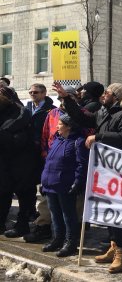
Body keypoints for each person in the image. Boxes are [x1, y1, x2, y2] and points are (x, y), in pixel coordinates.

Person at [53, 81, 122, 274]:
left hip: (121, 172)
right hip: (105, 170)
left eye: (108, 92)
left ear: (116, 96)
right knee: (109, 212)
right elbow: (82, 119)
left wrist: (98, 137)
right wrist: (67, 99)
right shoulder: (103, 111)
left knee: (119, 213)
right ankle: (114, 246)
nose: (104, 94)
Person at [25, 86, 79, 244]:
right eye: (61, 98)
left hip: (69, 164)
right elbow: (45, 135)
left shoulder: (79, 114)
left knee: (69, 206)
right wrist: (45, 153)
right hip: (50, 161)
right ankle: (48, 230)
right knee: (47, 200)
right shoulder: (53, 113)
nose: (63, 101)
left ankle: (71, 238)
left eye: (67, 97)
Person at [40, 114, 88, 257]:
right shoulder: (56, 140)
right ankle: (57, 239)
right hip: (50, 184)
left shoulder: (78, 142)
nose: (57, 126)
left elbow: (81, 164)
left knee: (68, 215)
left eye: (60, 124)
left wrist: (78, 182)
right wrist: (44, 182)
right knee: (55, 215)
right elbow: (49, 161)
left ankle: (70, 243)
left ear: (69, 126)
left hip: (65, 185)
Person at [0, 86, 38, 237]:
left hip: (21, 164)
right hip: (4, 164)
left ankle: (22, 225)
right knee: (3, 194)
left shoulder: (21, 112)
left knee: (24, 196)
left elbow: (18, 140)